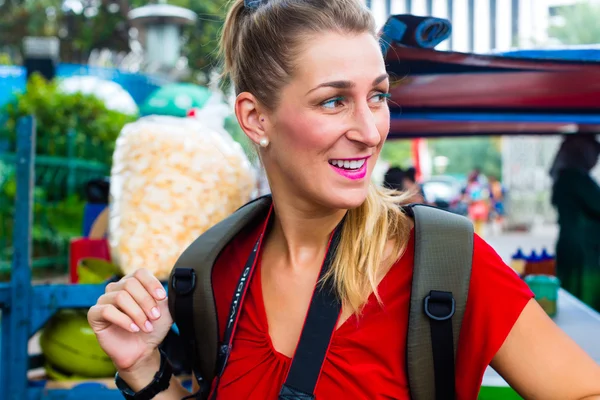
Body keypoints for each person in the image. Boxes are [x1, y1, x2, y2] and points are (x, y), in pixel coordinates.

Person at [87, 1, 600, 399]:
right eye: (334, 101)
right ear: (255, 118)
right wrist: (143, 368)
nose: (369, 130)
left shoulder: (445, 263)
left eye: (377, 96)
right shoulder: (211, 273)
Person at [550, 134, 600, 312]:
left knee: (572, 296)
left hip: (571, 245)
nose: (595, 159)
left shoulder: (563, 178)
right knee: (584, 301)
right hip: (584, 250)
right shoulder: (576, 179)